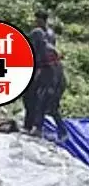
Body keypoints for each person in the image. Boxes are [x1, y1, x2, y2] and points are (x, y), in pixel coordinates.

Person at [26, 10, 68, 141]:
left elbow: (35, 51)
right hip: (53, 71)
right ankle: (61, 132)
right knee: (49, 103)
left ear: (39, 20)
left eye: (36, 20)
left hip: (46, 70)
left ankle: (34, 127)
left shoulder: (37, 33)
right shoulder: (51, 33)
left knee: (36, 99)